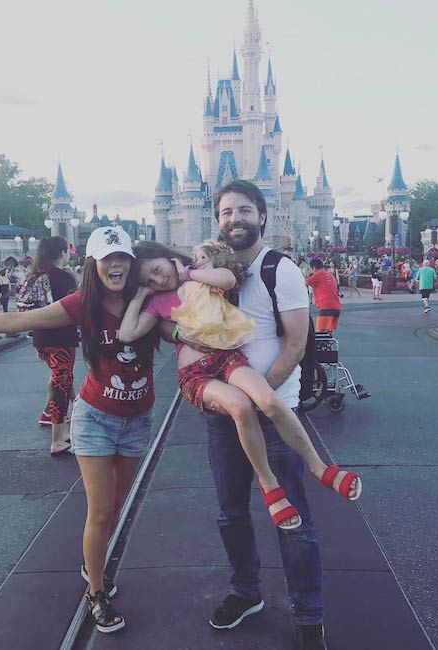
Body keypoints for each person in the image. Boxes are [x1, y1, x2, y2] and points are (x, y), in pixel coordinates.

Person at [0, 226, 157, 634]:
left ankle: (90, 561)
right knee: (99, 511)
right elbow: (20, 319)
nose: (115, 265)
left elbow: (187, 327)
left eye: (122, 258)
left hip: (137, 420)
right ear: (93, 264)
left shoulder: (150, 302)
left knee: (115, 509)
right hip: (96, 418)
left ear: (131, 263)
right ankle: (97, 591)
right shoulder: (84, 303)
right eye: (106, 258)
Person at [185, 179, 333, 648]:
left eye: (244, 211)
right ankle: (245, 591)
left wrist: (258, 395)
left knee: (292, 518)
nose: (235, 220)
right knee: (231, 513)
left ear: (264, 216)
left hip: (273, 411)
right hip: (223, 415)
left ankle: (309, 614)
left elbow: (295, 342)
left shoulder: (279, 270)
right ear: (218, 220)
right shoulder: (213, 270)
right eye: (227, 212)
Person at [123, 241, 359, 526]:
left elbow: (228, 279)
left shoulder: (202, 272)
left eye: (157, 270)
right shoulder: (158, 301)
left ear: (167, 257)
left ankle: (320, 467)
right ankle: (269, 485)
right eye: (150, 280)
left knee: (270, 400)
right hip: (196, 374)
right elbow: (127, 333)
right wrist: (140, 295)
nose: (159, 280)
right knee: (242, 406)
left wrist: (188, 273)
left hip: (229, 359)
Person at [30, 236, 79, 455]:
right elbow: (75, 308)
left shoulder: (36, 276)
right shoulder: (64, 278)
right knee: (62, 382)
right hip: (61, 338)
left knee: (60, 375)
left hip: (41, 337)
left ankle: (48, 414)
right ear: (61, 253)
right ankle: (58, 438)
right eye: (67, 250)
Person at [306, 258, 342, 332]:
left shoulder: (318, 274)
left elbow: (305, 282)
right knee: (327, 334)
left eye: (310, 269)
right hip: (336, 307)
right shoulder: (329, 274)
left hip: (326, 306)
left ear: (313, 268)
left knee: (319, 333)